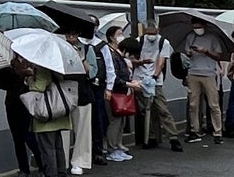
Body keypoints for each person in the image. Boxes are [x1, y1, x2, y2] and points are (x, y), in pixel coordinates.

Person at [23, 58, 75, 177]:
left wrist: (29, 78)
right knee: (58, 148)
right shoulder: (57, 64)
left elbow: (38, 87)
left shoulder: (42, 67)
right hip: (59, 112)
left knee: (47, 149)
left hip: (47, 114)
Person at [135, 20, 184, 151]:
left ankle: (173, 138)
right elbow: (131, 60)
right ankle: (150, 137)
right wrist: (141, 62)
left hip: (155, 80)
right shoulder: (138, 41)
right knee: (145, 110)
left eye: (154, 33)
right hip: (139, 79)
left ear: (158, 31)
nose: (151, 36)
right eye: (149, 33)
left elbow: (161, 61)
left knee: (162, 109)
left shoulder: (163, 42)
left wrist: (155, 76)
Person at [95, 24, 136, 161]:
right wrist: (128, 83)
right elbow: (113, 73)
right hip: (114, 91)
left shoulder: (120, 54)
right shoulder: (110, 53)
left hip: (122, 91)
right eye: (119, 34)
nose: (122, 36)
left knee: (121, 121)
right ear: (112, 37)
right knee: (115, 121)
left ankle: (118, 145)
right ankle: (112, 148)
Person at [62, 24, 98, 173]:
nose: (71, 34)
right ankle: (61, 161)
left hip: (82, 92)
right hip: (63, 91)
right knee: (63, 129)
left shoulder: (87, 48)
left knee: (82, 129)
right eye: (68, 31)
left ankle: (79, 161)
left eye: (75, 31)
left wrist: (81, 59)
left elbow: (93, 72)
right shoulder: (58, 48)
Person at [183, 20, 226, 143]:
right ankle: (194, 130)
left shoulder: (212, 38)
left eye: (199, 27)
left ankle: (217, 132)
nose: (197, 29)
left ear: (204, 26)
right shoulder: (190, 37)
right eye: (194, 27)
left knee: (213, 104)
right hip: (193, 72)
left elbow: (219, 56)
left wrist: (206, 51)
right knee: (193, 104)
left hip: (209, 73)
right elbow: (187, 54)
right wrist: (189, 53)